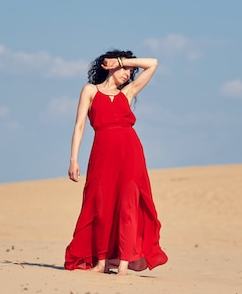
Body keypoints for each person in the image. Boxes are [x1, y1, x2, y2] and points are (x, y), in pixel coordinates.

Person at [64, 50, 168, 275]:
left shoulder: (128, 93)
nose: (128, 74)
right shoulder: (90, 90)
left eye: (131, 71)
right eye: (125, 70)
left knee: (128, 207)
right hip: (102, 154)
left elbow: (153, 63)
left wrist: (123, 62)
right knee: (101, 206)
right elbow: (79, 126)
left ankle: (123, 265)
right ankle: (101, 263)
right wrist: (74, 159)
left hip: (130, 155)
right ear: (109, 65)